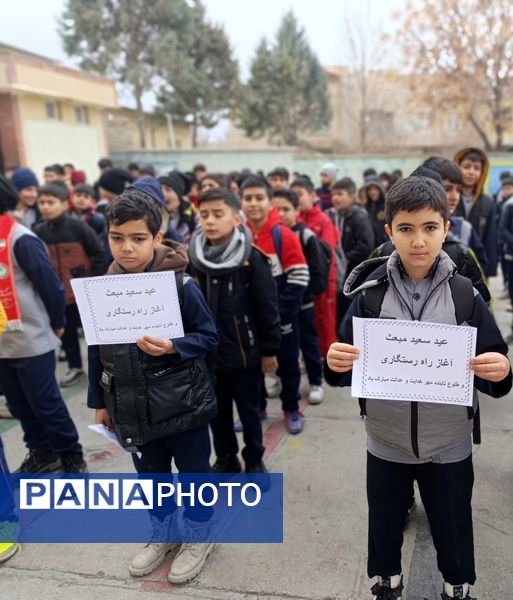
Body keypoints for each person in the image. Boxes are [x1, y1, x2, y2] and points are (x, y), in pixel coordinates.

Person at [325, 176, 511, 600]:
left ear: (447, 228)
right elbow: (342, 362)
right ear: (389, 232)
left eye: (430, 228)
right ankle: (386, 580)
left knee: (453, 521)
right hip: (385, 441)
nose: (419, 241)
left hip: (449, 442)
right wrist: (334, 363)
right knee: (385, 519)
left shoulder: (466, 297)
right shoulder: (369, 297)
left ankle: (457, 585)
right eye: (406, 229)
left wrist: (500, 369)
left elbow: (495, 360)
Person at [88, 189, 218, 583]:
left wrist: (175, 346)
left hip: (183, 405)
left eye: (138, 238)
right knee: (151, 475)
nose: (126, 248)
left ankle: (199, 532)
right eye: (117, 237)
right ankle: (163, 532)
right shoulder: (101, 288)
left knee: (195, 472)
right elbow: (97, 350)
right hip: (130, 407)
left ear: (157, 238)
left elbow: (209, 337)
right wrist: (100, 401)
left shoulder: (180, 285)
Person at [190, 187, 281, 472]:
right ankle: (226, 457)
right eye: (204, 215)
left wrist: (269, 350)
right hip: (208, 355)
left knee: (250, 412)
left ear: (236, 218)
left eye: (218, 214)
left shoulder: (251, 259)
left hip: (246, 356)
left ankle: (254, 459)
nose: (210, 221)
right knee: (216, 413)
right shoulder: (192, 259)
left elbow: (268, 308)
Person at [0, 175, 87, 473]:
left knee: (46, 405)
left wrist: (58, 322)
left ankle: (71, 456)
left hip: (30, 338)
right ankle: (41, 452)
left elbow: (50, 285)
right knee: (19, 405)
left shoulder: (20, 238)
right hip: (2, 345)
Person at [241, 176, 309, 434]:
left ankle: (291, 409)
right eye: (248, 198)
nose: (253, 203)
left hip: (283, 319)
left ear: (270, 203)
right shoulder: (239, 236)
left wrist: (278, 314)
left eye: (259, 198)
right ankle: (257, 409)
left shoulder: (285, 235)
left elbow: (300, 277)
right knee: (251, 367)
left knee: (288, 365)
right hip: (249, 320)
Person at [35, 184, 106, 387]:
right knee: (67, 333)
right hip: (58, 293)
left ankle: (104, 368)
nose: (45, 207)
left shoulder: (78, 226)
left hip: (83, 290)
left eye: (51, 202)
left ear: (65, 204)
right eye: (42, 203)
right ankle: (75, 367)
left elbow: (99, 254)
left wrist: (93, 284)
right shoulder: (38, 231)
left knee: (94, 332)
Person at [272, 188, 328, 404]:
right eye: (275, 209)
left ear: (297, 210)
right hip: (279, 303)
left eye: (286, 209)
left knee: (308, 343)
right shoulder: (271, 235)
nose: (280, 214)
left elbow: (317, 271)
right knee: (281, 347)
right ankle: (277, 380)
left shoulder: (306, 236)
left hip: (302, 303)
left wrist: (305, 295)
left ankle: (315, 381)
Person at [292, 177, 339, 357]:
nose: (297, 199)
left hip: (323, 279)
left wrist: (325, 282)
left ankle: (329, 360)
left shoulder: (323, 221)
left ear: (313, 196)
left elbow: (327, 254)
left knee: (325, 322)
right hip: (303, 280)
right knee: (309, 324)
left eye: (300, 194)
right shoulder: (295, 220)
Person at [327, 177, 375, 327]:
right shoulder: (334, 216)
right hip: (339, 270)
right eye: (333, 194)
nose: (335, 198)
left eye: (340, 194)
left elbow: (366, 246)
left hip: (353, 272)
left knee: (349, 307)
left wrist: (344, 259)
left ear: (352, 196)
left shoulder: (358, 217)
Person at [453, 147, 497, 277]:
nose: (471, 172)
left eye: (476, 168)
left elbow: (490, 238)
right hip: (452, 263)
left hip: (478, 264)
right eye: (466, 167)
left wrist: (489, 270)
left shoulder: (488, 202)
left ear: (482, 172)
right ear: (457, 167)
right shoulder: (448, 198)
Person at [158, 171, 197, 245]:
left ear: (179, 195)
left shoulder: (191, 216)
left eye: (168, 189)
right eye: (159, 189)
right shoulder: (151, 214)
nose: (162, 193)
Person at [362, 176, 388, 247]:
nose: (373, 192)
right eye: (370, 189)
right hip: (370, 245)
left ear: (380, 189)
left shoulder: (387, 205)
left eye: (375, 189)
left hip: (385, 244)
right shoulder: (366, 206)